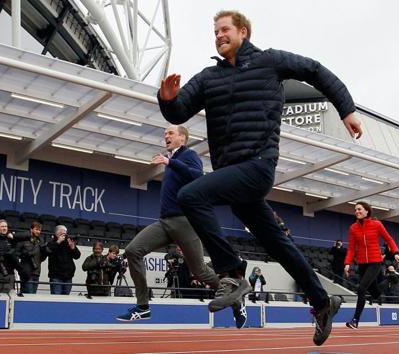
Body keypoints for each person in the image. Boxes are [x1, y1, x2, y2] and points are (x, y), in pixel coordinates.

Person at [157, 10, 360, 345]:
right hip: (232, 173)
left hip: (258, 165)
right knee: (277, 243)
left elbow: (315, 70)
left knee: (191, 196)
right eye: (215, 32)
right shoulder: (209, 77)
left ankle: (233, 272)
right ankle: (323, 302)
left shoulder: (270, 62)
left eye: (225, 30)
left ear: (243, 32)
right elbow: (179, 112)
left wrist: (346, 109)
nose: (219, 35)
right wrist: (166, 99)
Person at [116, 125, 247, 327]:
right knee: (133, 251)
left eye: (171, 133)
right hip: (165, 222)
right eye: (165, 133)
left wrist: (170, 162)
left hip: (185, 222)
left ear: (183, 139)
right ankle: (143, 307)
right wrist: (170, 162)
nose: (166, 135)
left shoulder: (189, 155)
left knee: (200, 272)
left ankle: (236, 295)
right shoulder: (173, 160)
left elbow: (197, 176)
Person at [343, 201, 399, 329]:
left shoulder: (377, 224)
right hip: (362, 264)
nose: (357, 212)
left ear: (366, 211)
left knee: (361, 289)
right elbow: (351, 249)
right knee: (375, 293)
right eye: (355, 210)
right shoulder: (353, 228)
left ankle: (355, 320)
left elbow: (389, 239)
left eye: (359, 209)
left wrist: (396, 253)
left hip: (375, 262)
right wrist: (347, 263)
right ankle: (391, 278)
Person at [44, 225, 80, 295]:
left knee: (66, 298)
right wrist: (58, 242)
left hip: (68, 277)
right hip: (56, 277)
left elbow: (77, 256)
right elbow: (47, 252)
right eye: (63, 234)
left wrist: (73, 248)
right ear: (57, 234)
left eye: (66, 233)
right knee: (56, 298)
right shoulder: (51, 243)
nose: (65, 235)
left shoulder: (68, 243)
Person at [15, 221, 47, 294]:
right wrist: (24, 254)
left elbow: (42, 258)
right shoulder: (23, 239)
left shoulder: (41, 241)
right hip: (26, 271)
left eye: (39, 230)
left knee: (33, 295)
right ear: (31, 229)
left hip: (36, 271)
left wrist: (45, 253)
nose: (38, 231)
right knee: (27, 294)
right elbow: (16, 253)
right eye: (36, 229)